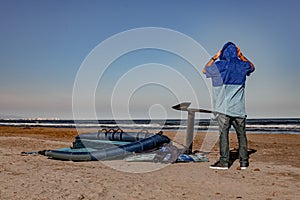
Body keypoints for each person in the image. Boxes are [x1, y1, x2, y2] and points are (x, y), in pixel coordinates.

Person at [202, 42, 255, 170]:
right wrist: (241, 56)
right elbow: (252, 67)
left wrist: (215, 57)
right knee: (241, 136)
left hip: (223, 109)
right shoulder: (242, 66)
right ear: (236, 52)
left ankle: (224, 162)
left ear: (223, 53)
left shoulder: (219, 65)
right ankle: (244, 163)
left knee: (223, 135)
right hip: (239, 109)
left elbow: (204, 70)